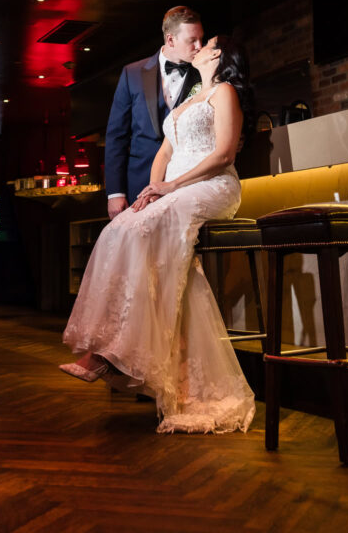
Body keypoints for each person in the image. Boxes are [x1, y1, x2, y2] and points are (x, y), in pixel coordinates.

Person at [61, 35, 256, 435]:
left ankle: (118, 353)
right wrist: (152, 190)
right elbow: (163, 154)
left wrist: (171, 187)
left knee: (146, 228)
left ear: (219, 55)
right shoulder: (188, 98)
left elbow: (223, 155)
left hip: (215, 186)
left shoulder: (225, 93)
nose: (200, 45)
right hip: (175, 189)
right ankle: (108, 347)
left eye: (208, 43)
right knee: (120, 228)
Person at [104, 6, 204, 220]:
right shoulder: (132, 74)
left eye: (201, 39)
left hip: (187, 183)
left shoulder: (203, 74)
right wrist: (115, 192)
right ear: (170, 40)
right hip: (139, 183)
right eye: (192, 40)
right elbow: (116, 136)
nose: (199, 46)